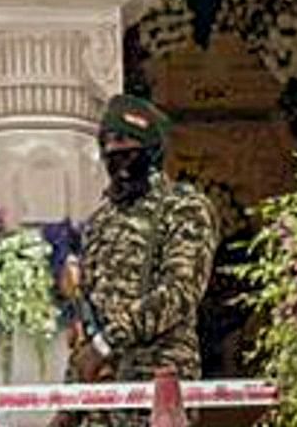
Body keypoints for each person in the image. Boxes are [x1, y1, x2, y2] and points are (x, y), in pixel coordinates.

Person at [74, 94, 220, 381]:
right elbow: (90, 313)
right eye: (108, 142)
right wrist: (71, 402)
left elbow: (179, 293)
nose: (114, 150)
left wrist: (105, 344)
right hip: (101, 394)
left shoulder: (183, 206)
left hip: (158, 383)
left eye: (125, 140)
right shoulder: (100, 220)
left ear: (150, 146)